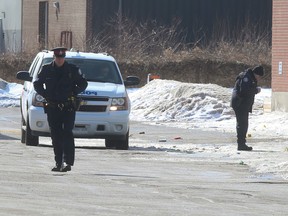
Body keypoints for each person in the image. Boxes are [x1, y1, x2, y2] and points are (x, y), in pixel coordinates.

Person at [34, 47, 88, 172]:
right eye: (58, 58)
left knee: (67, 133)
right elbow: (37, 83)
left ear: (64, 57)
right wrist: (45, 94)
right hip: (53, 107)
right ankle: (58, 162)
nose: (59, 60)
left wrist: (74, 92)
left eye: (61, 57)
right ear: (54, 57)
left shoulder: (72, 70)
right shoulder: (47, 69)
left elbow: (83, 83)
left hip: (68, 107)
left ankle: (67, 162)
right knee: (56, 135)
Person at [231, 65, 264, 151]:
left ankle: (242, 143)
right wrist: (256, 90)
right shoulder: (246, 78)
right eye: (259, 77)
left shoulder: (249, 77)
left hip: (242, 104)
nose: (259, 79)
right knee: (242, 124)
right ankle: (241, 144)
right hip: (240, 103)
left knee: (243, 124)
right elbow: (244, 91)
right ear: (256, 74)